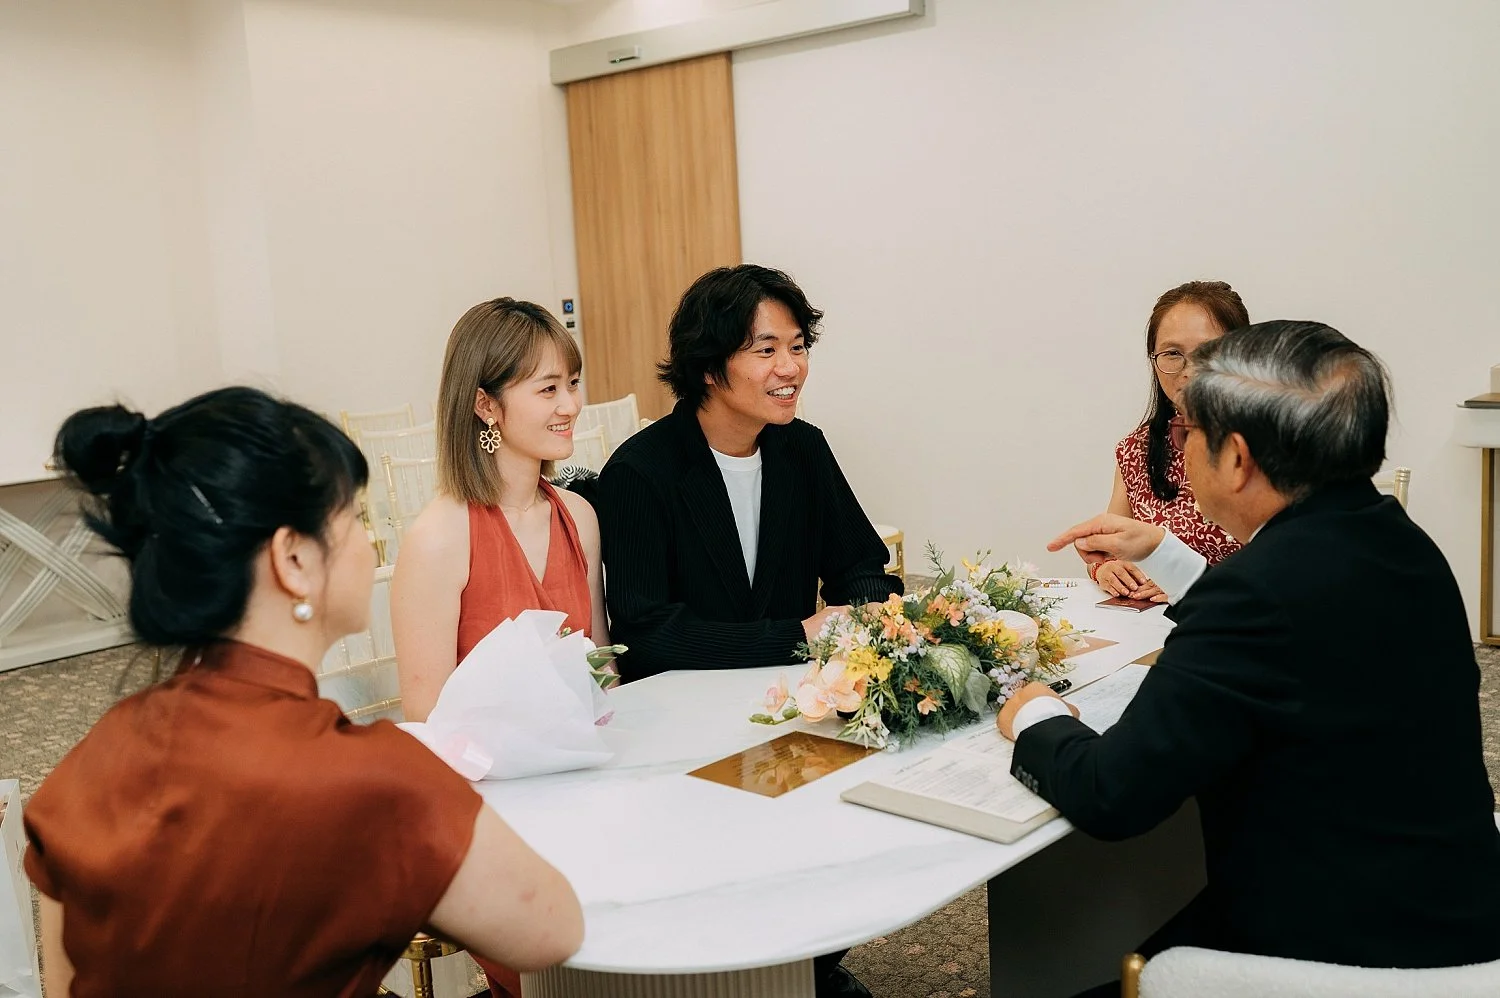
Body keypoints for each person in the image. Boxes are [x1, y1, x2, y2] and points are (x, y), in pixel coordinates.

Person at [24, 388, 583, 997]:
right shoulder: (374, 778)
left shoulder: (79, 773)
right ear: (293, 559)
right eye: (354, 522)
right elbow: (552, 933)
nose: (370, 546)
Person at [998, 322, 1500, 995]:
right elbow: (1302, 627)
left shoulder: (1255, 596)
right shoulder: (1400, 541)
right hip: (1451, 898)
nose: (1184, 451)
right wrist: (1165, 552)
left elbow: (1111, 795)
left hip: (1340, 950)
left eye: (1191, 437)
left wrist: (1036, 717)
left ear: (1235, 459)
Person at [595, 264, 899, 997]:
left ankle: (811, 970)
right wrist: (799, 633)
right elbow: (647, 632)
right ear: (709, 366)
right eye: (766, 351)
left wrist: (864, 616)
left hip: (792, 710)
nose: (790, 369)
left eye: (798, 347)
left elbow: (862, 563)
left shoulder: (803, 449)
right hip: (683, 728)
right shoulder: (641, 472)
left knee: (833, 859)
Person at [391, 297, 606, 998]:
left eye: (571, 383)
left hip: (583, 786)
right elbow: (432, 728)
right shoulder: (441, 535)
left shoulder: (579, 517)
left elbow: (600, 682)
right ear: (486, 406)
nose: (570, 403)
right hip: (494, 814)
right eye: (547, 388)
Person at [1091, 281, 1248, 601]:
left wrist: (1183, 579)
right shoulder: (1137, 449)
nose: (1188, 370)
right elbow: (1107, 548)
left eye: (1207, 352)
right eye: (1173, 353)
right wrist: (1106, 569)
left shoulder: (1271, 444)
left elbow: (1293, 564)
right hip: (1153, 628)